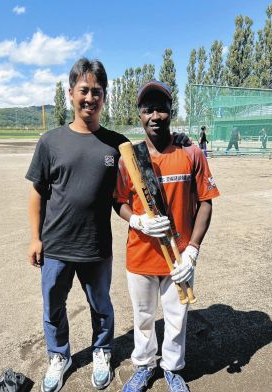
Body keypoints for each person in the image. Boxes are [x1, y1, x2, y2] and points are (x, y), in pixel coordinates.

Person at [26, 59, 190, 392]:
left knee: (101, 305)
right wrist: (34, 238)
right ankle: (60, 356)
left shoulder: (118, 144)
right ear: (71, 93)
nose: (89, 98)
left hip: (97, 245)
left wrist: (181, 138)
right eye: (83, 90)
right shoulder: (50, 141)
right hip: (55, 244)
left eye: (96, 91)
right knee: (53, 306)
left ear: (104, 96)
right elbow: (36, 193)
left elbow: (150, 147)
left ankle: (102, 350)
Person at [114, 80, 220, 392]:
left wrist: (193, 251)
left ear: (171, 112)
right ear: (140, 115)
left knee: (176, 318)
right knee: (144, 318)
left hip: (179, 259)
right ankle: (144, 367)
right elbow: (118, 202)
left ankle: (173, 369)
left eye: (162, 108)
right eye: (149, 110)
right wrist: (137, 221)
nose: (156, 115)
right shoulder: (128, 159)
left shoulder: (191, 152)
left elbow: (206, 203)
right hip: (141, 257)